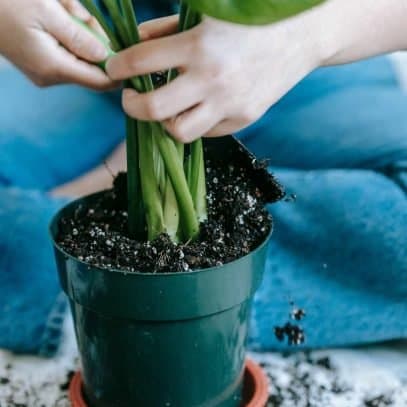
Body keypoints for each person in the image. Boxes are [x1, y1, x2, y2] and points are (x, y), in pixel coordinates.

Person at [0, 0, 405, 356]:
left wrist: (308, 35)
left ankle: (107, 283)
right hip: (109, 50)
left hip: (313, 60)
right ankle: (191, 291)